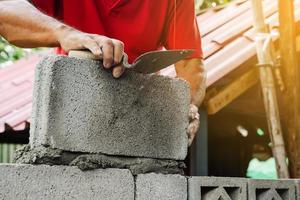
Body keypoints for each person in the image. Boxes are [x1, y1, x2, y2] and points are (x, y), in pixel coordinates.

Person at [0, 0, 206, 145]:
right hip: (70, 118)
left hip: (138, 122)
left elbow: (191, 66)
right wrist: (65, 34)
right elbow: (5, 10)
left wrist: (187, 108)